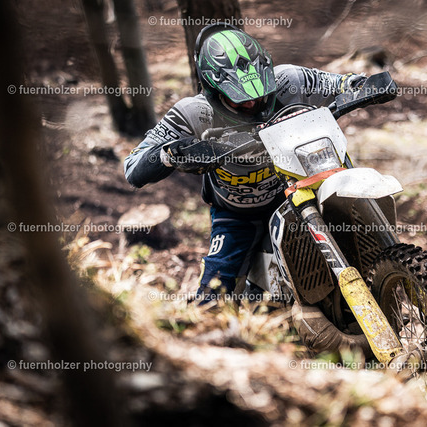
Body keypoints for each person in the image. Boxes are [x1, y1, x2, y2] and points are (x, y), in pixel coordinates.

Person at [123, 23, 366, 304]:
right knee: (213, 296)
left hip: (299, 189)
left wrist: (359, 86)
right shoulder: (194, 113)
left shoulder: (290, 80)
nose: (251, 104)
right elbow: (133, 168)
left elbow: (344, 83)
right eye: (239, 100)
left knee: (351, 223)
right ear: (213, 89)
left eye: (259, 94)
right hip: (237, 215)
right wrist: (170, 153)